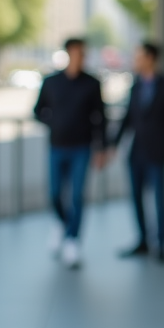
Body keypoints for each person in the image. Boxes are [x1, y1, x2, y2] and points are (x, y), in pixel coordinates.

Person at [33, 37, 105, 269]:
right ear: (68, 54)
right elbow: (37, 111)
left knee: (76, 196)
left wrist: (101, 147)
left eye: (83, 53)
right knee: (55, 193)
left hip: (82, 148)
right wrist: (54, 123)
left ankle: (73, 241)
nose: (79, 57)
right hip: (57, 146)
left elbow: (100, 118)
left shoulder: (92, 84)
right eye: (76, 53)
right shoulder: (52, 82)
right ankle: (62, 224)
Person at [110, 42, 164, 263]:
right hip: (137, 151)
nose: (136, 60)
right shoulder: (136, 85)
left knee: (158, 199)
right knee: (137, 198)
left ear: (150, 58)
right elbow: (127, 118)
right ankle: (143, 240)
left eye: (139, 56)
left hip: (158, 150)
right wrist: (113, 144)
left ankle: (161, 244)